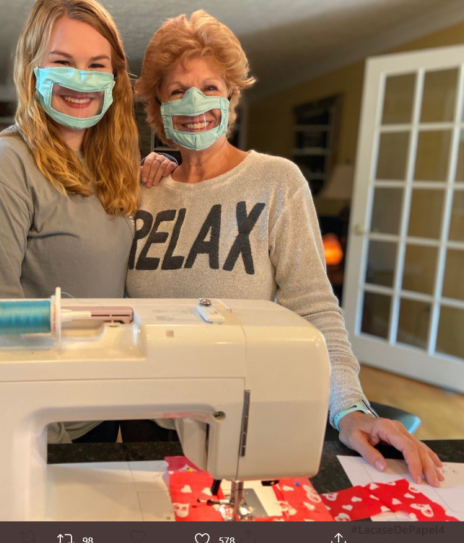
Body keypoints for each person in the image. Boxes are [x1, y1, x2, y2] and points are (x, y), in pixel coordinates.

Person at [127, 10, 444, 487]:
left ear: (232, 97)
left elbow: (314, 308)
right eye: (177, 90)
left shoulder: (276, 182)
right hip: (142, 424)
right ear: (157, 106)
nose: (195, 101)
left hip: (240, 426)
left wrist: (351, 409)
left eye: (210, 87)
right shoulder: (140, 188)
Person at [0, 0, 173, 443]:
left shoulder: (106, 165)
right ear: (33, 67)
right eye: (62, 62)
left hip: (99, 404)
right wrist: (49, 439)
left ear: (114, 79)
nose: (81, 79)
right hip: (47, 421)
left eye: (96, 65)